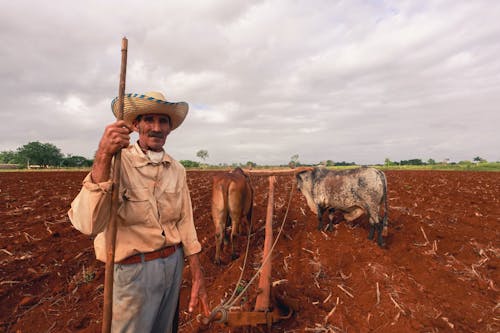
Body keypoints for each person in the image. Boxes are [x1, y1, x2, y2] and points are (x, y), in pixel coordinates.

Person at [68, 91, 210, 332]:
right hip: (133, 272)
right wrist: (103, 153)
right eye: (149, 120)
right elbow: (87, 224)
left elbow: (186, 223)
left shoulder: (177, 169)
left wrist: (197, 274)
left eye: (163, 121)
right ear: (135, 125)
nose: (156, 127)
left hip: (173, 265)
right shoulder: (116, 163)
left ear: (169, 128)